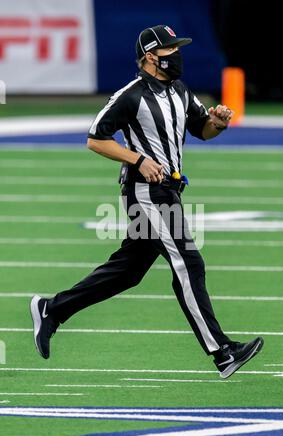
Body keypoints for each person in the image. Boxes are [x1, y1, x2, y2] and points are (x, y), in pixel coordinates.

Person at [30, 25, 263, 379]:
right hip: (145, 193)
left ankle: (52, 309)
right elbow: (96, 138)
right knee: (188, 262)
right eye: (170, 50)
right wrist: (137, 159)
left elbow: (202, 130)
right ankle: (222, 352)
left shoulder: (180, 90)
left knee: (128, 271)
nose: (177, 56)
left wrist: (218, 123)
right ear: (151, 57)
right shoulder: (130, 95)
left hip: (168, 191)